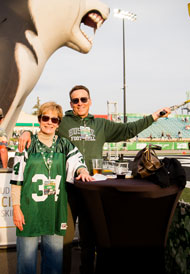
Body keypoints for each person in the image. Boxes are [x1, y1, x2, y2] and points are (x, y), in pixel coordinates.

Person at [18, 85, 171, 274]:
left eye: (83, 99)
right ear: (71, 103)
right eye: (75, 100)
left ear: (90, 101)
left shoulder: (101, 125)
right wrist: (26, 132)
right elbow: (45, 128)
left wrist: (153, 117)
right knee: (63, 237)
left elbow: (128, 130)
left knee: (89, 239)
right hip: (67, 188)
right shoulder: (62, 121)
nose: (80, 103)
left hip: (91, 188)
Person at [11, 102, 93, 274]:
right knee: (26, 263)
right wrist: (16, 208)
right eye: (45, 118)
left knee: (54, 264)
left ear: (58, 123)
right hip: (29, 209)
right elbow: (16, 180)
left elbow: (77, 161)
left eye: (54, 119)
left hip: (55, 210)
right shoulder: (27, 143)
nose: (49, 122)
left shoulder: (64, 144)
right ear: (39, 119)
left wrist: (82, 169)